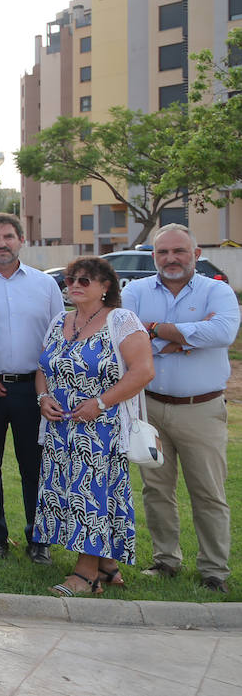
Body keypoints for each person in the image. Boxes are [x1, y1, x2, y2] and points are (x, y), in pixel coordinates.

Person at [123, 225, 240, 593]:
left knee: (207, 492)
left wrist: (155, 330)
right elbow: (124, 341)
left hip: (200, 409)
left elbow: (222, 333)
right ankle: (165, 561)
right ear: (153, 256)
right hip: (150, 407)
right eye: (163, 253)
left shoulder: (217, 290)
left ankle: (214, 571)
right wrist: (187, 339)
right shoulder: (136, 291)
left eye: (179, 251)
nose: (171, 259)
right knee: (156, 490)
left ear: (196, 253)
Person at [35, 255, 154, 595]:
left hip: (102, 429)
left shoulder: (122, 320)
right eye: (71, 279)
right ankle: (108, 565)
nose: (74, 285)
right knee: (68, 495)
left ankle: (86, 575)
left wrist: (101, 403)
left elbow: (143, 371)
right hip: (61, 429)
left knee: (90, 498)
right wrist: (43, 399)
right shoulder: (61, 320)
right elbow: (43, 367)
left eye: (85, 280)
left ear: (105, 287)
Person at [0, 213, 65, 564]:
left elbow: (58, 338)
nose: (1, 243)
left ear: (21, 240)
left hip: (34, 391)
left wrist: (49, 390)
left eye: (8, 236)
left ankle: (38, 537)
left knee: (36, 467)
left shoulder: (44, 285)